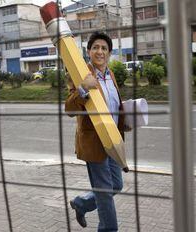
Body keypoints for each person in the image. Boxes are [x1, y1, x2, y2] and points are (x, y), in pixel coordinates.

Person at [65, 31, 127, 231]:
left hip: (113, 141)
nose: (100, 52)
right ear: (89, 51)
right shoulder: (80, 74)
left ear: (109, 53)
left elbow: (112, 105)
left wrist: (126, 116)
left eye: (104, 48)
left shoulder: (111, 74)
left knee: (115, 185)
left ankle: (82, 203)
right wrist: (83, 88)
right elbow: (69, 109)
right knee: (104, 192)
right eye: (95, 48)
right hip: (94, 143)